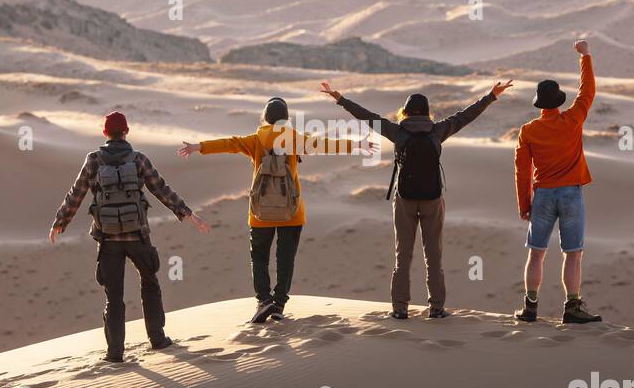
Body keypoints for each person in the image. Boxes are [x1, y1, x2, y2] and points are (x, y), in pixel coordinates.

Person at [320, 79, 513, 319]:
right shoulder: (438, 130)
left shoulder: (397, 132)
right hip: (433, 199)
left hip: (405, 199)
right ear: (427, 111)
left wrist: (340, 99)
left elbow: (367, 117)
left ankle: (400, 309)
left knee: (403, 256)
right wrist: (491, 95)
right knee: (434, 256)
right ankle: (437, 308)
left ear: (406, 111)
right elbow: (466, 116)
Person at [178, 97, 371, 323]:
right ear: (286, 118)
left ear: (265, 117)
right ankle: (278, 304)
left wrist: (198, 147)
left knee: (259, 257)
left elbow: (229, 143)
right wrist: (356, 144)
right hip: (291, 211)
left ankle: (263, 300)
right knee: (285, 259)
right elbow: (324, 143)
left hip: (260, 213)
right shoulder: (294, 139)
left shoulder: (255, 139)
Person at [49, 111, 210, 361]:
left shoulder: (93, 160)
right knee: (150, 284)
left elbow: (76, 193)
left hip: (108, 240)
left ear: (105, 133)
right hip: (138, 237)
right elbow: (161, 189)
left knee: (113, 296)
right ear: (127, 131)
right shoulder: (138, 159)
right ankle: (157, 339)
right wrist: (188, 214)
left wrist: (60, 222)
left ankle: (115, 353)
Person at [514, 40, 602, 324]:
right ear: (559, 101)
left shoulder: (529, 131)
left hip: (542, 196)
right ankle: (572, 307)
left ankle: (529, 307)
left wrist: (524, 204)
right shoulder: (573, 119)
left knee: (536, 254)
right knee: (573, 254)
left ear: (539, 103)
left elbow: (522, 170)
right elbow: (587, 91)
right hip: (571, 195)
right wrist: (585, 57)